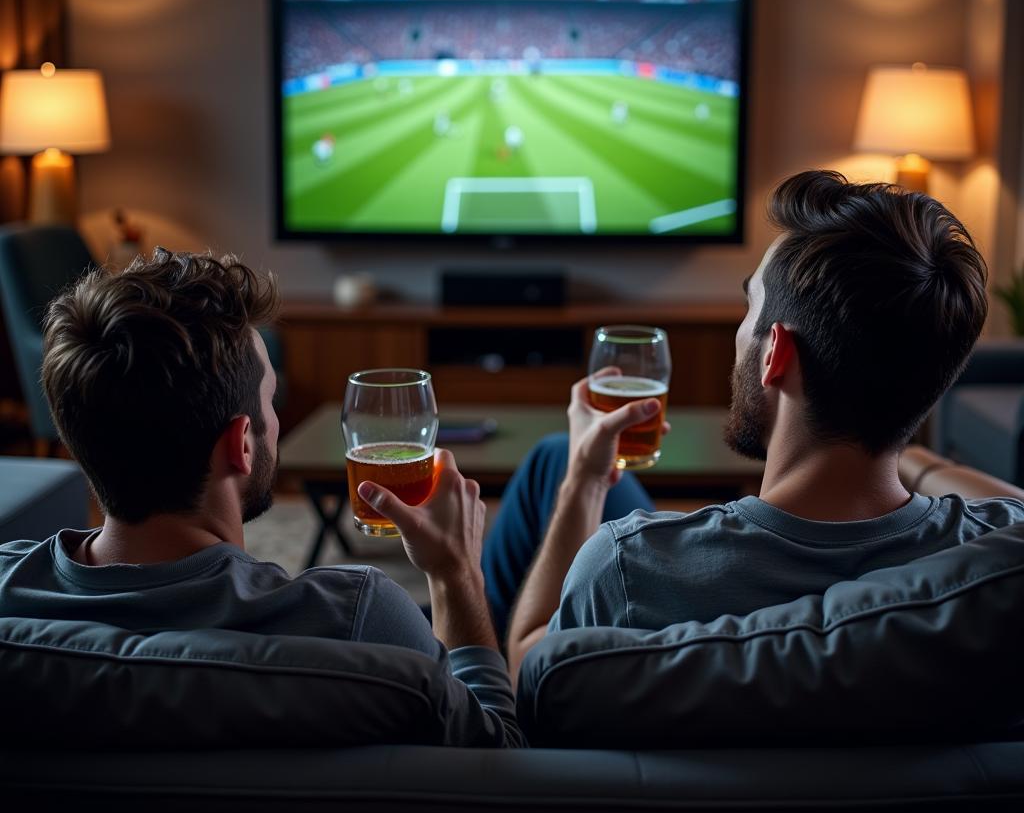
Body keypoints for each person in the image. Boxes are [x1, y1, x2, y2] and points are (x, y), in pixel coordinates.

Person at [434, 170, 1021, 678]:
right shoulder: (997, 561)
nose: (743, 328)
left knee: (557, 462)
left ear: (775, 355)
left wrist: (582, 484)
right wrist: (917, 458)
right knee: (559, 453)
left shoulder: (628, 567)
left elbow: (534, 667)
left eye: (750, 306)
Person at [0, 249, 520, 746]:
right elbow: (493, 755)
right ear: (241, 444)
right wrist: (457, 575)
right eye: (271, 401)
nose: (276, 420)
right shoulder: (357, 619)